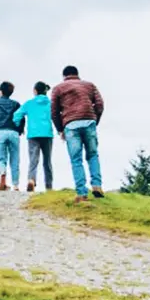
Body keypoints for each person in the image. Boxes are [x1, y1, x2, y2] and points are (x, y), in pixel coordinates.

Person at [50, 66, 105, 202]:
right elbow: (100, 104)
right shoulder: (89, 85)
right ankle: (97, 185)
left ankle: (81, 193)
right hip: (89, 122)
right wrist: (94, 119)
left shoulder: (58, 88)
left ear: (64, 76)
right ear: (77, 74)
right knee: (92, 155)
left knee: (76, 159)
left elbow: (54, 112)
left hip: (70, 124)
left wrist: (60, 129)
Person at [13, 81, 54, 192]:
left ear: (35, 91)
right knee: (47, 161)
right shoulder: (51, 103)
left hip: (33, 134)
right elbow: (56, 116)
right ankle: (49, 186)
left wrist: (18, 125)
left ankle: (31, 179)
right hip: (47, 134)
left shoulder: (29, 103)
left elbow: (16, 115)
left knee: (33, 159)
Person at [0, 81, 24, 191]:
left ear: (1, 91)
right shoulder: (16, 104)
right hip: (13, 132)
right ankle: (16, 185)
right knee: (15, 159)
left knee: (1, 157)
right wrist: (20, 130)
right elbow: (21, 118)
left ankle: (2, 174)